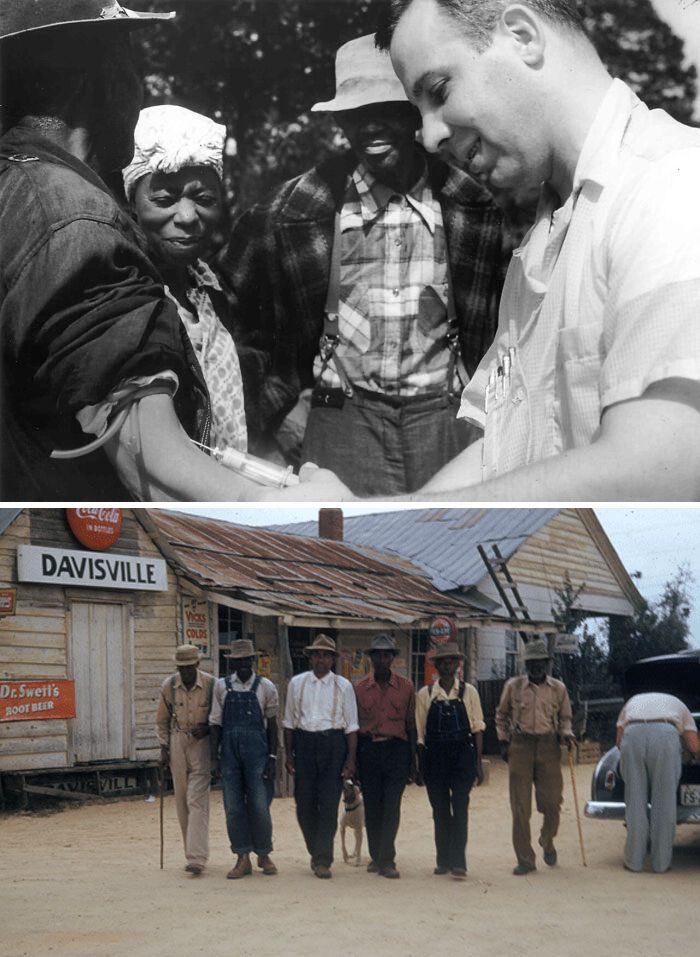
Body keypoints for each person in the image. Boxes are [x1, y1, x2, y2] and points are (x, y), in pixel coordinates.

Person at [301, 0, 700, 502]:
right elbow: (498, 449)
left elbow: (667, 467)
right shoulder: (543, 235)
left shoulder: (674, 185)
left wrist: (390, 514)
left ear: (522, 36)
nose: (429, 136)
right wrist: (368, 516)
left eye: (439, 91)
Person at [0, 0, 333, 502]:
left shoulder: (16, 191)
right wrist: (280, 503)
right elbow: (149, 460)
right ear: (103, 80)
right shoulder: (76, 219)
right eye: (133, 68)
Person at [221, 32, 505, 495]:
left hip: (446, 418)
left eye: (385, 109)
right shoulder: (294, 210)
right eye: (355, 113)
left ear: (413, 113)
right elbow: (227, 315)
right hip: (341, 419)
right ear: (339, 120)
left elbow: (512, 327)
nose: (370, 126)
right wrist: (278, 411)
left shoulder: (473, 205)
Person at [122, 104, 247, 455]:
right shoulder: (125, 297)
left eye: (204, 199)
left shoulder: (209, 287)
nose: (188, 216)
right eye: (164, 199)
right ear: (131, 203)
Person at [495, 639, 575, 875]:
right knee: (520, 807)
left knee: (552, 802)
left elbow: (565, 719)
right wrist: (503, 742)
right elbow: (501, 716)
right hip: (520, 746)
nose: (536, 666)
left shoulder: (558, 688)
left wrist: (567, 735)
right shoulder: (514, 686)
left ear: (547, 663)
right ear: (526, 664)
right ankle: (525, 860)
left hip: (549, 746)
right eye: (532, 662)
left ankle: (547, 839)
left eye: (540, 662)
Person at [283, 635, 359, 878]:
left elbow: (351, 727)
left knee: (328, 805)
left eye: (326, 655)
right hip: (304, 744)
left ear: (333, 659)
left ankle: (323, 859)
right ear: (310, 657)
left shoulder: (344, 686)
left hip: (333, 745)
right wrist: (289, 755)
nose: (321, 659)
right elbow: (289, 722)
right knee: (304, 805)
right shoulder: (296, 684)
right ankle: (316, 851)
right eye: (317, 654)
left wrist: (350, 761)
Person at [209, 639, 279, 879]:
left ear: (253, 660)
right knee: (233, 807)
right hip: (229, 755)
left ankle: (264, 853)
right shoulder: (221, 687)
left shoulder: (266, 687)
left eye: (247, 659)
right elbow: (215, 723)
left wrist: (273, 757)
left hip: (258, 755)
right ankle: (242, 857)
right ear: (232, 663)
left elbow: (272, 725)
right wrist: (214, 758)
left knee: (260, 805)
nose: (243, 664)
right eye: (238, 660)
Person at [415, 641, 484, 879]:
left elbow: (478, 729)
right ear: (436, 666)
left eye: (451, 662)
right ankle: (442, 860)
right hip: (434, 758)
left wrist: (478, 764)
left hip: (463, 756)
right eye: (442, 662)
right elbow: (420, 735)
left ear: (457, 665)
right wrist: (421, 767)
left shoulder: (469, 692)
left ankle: (459, 862)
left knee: (461, 806)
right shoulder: (425, 695)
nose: (447, 666)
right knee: (440, 810)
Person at [353, 634, 416, 878]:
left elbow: (411, 725)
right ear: (371, 658)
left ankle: (387, 859)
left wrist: (412, 761)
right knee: (373, 806)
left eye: (386, 655)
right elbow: (354, 728)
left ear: (392, 658)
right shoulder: (359, 688)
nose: (381, 660)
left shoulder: (406, 687)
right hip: (368, 751)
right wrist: (354, 762)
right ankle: (375, 855)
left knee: (391, 806)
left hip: (396, 750)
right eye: (377, 655)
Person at [616, 692, 700, 873]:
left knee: (635, 802)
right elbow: (694, 746)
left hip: (632, 733)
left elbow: (619, 742)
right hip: (665, 735)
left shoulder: (633, 701)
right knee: (664, 803)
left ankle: (633, 862)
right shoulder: (680, 705)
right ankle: (661, 864)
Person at [155, 644, 215, 876]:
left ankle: (197, 858)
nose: (186, 672)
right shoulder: (169, 686)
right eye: (182, 668)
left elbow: (219, 718)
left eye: (189, 667)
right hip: (177, 740)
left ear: (197, 664)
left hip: (201, 744)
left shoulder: (211, 685)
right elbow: (161, 721)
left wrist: (208, 728)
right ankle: (190, 852)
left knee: (196, 799)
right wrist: (164, 748)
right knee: (181, 799)